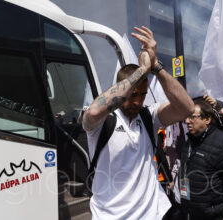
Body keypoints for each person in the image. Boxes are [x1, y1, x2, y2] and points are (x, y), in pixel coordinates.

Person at [82, 26, 194, 220]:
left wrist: (156, 65)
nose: (138, 101)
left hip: (152, 213)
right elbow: (92, 112)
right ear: (121, 90)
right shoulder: (103, 121)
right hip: (110, 216)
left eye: (143, 95)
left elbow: (187, 108)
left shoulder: (148, 116)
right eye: (132, 95)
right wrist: (142, 69)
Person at [181, 100, 223, 220]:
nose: (187, 121)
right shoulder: (190, 141)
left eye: (192, 117)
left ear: (207, 119)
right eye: (186, 117)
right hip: (191, 213)